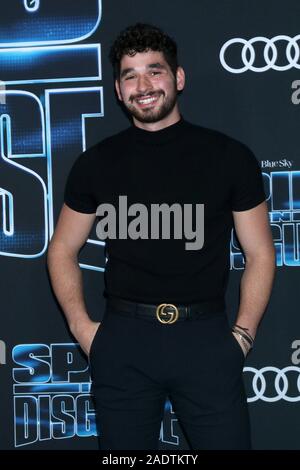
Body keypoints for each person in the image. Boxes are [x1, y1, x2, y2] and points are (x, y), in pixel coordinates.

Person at [47, 23, 276, 450]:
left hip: (206, 340)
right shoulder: (96, 164)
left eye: (155, 70)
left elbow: (260, 251)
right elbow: (62, 248)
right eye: (130, 75)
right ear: (118, 90)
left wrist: (242, 335)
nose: (143, 85)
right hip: (124, 342)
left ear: (178, 78)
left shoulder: (229, 157)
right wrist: (83, 329)